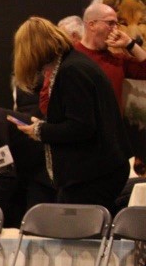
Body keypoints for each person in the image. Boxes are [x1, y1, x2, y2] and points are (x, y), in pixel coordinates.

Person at [12, 17, 130, 208]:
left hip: (95, 172)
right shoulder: (74, 63)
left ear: (31, 51)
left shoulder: (71, 71)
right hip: (98, 169)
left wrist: (40, 130)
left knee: (75, 223)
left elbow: (81, 127)